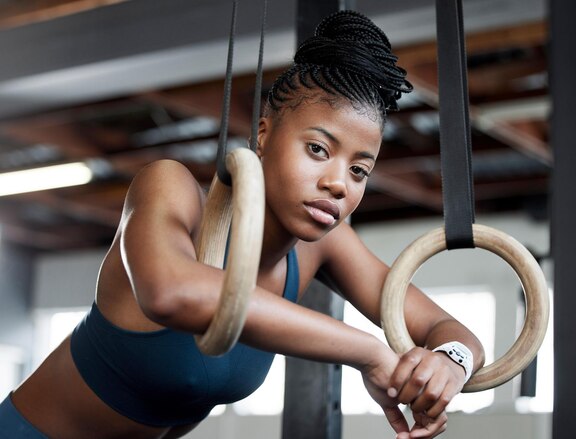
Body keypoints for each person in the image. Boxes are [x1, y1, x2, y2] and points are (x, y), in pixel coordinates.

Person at [0, 10, 484, 439]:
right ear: (264, 135)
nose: (339, 183)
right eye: (318, 149)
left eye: (359, 170)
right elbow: (175, 292)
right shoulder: (171, 189)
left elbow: (448, 329)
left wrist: (450, 364)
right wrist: (369, 352)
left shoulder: (323, 246)